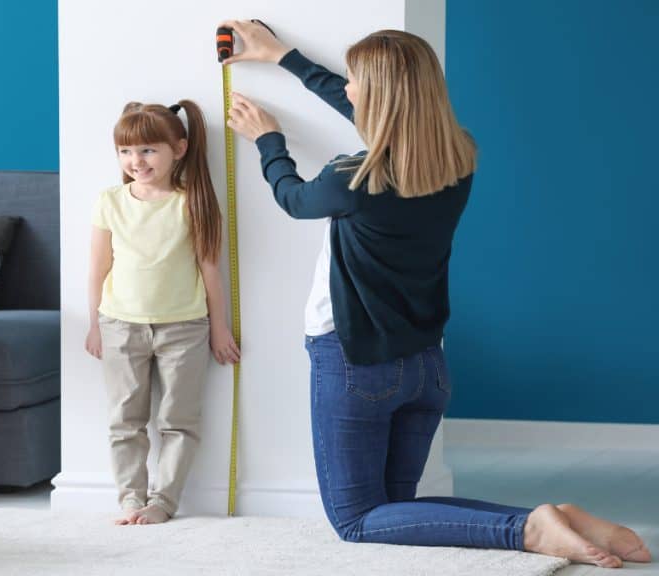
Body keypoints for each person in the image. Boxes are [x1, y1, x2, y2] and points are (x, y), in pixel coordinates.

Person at [221, 20, 651, 567]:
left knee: (356, 519)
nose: (346, 88)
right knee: (397, 509)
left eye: (354, 81)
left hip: (358, 364)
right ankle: (555, 519)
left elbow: (294, 198)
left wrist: (268, 140)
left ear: (378, 98)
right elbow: (376, 118)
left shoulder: (351, 178)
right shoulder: (457, 158)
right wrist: (287, 57)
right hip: (426, 365)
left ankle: (530, 527)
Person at [85, 100, 241, 525]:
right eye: (126, 151)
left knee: (179, 421)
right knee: (125, 421)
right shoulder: (110, 201)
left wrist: (219, 328)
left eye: (149, 150)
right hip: (120, 325)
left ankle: (163, 502)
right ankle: (131, 499)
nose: (136, 161)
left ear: (179, 148)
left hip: (184, 329)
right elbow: (98, 268)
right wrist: (95, 324)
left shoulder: (193, 203)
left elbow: (211, 269)